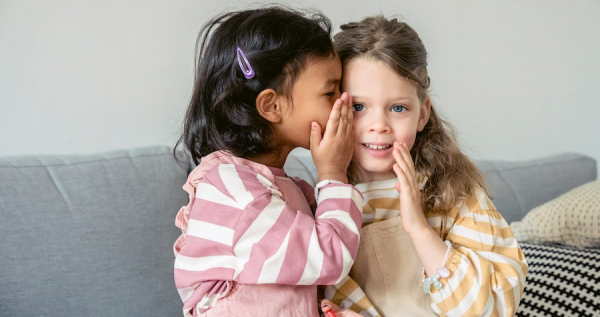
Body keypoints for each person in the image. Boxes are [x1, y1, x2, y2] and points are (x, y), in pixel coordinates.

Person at [320, 15, 529, 317]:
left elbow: (488, 309)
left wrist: (418, 228)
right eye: (358, 107)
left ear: (422, 113)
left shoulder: (456, 194)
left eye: (398, 108)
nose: (379, 125)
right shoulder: (320, 203)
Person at [172, 6, 364, 317]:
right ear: (271, 105)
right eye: (330, 92)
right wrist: (332, 173)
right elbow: (329, 257)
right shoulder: (234, 191)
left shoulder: (285, 188)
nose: (345, 103)